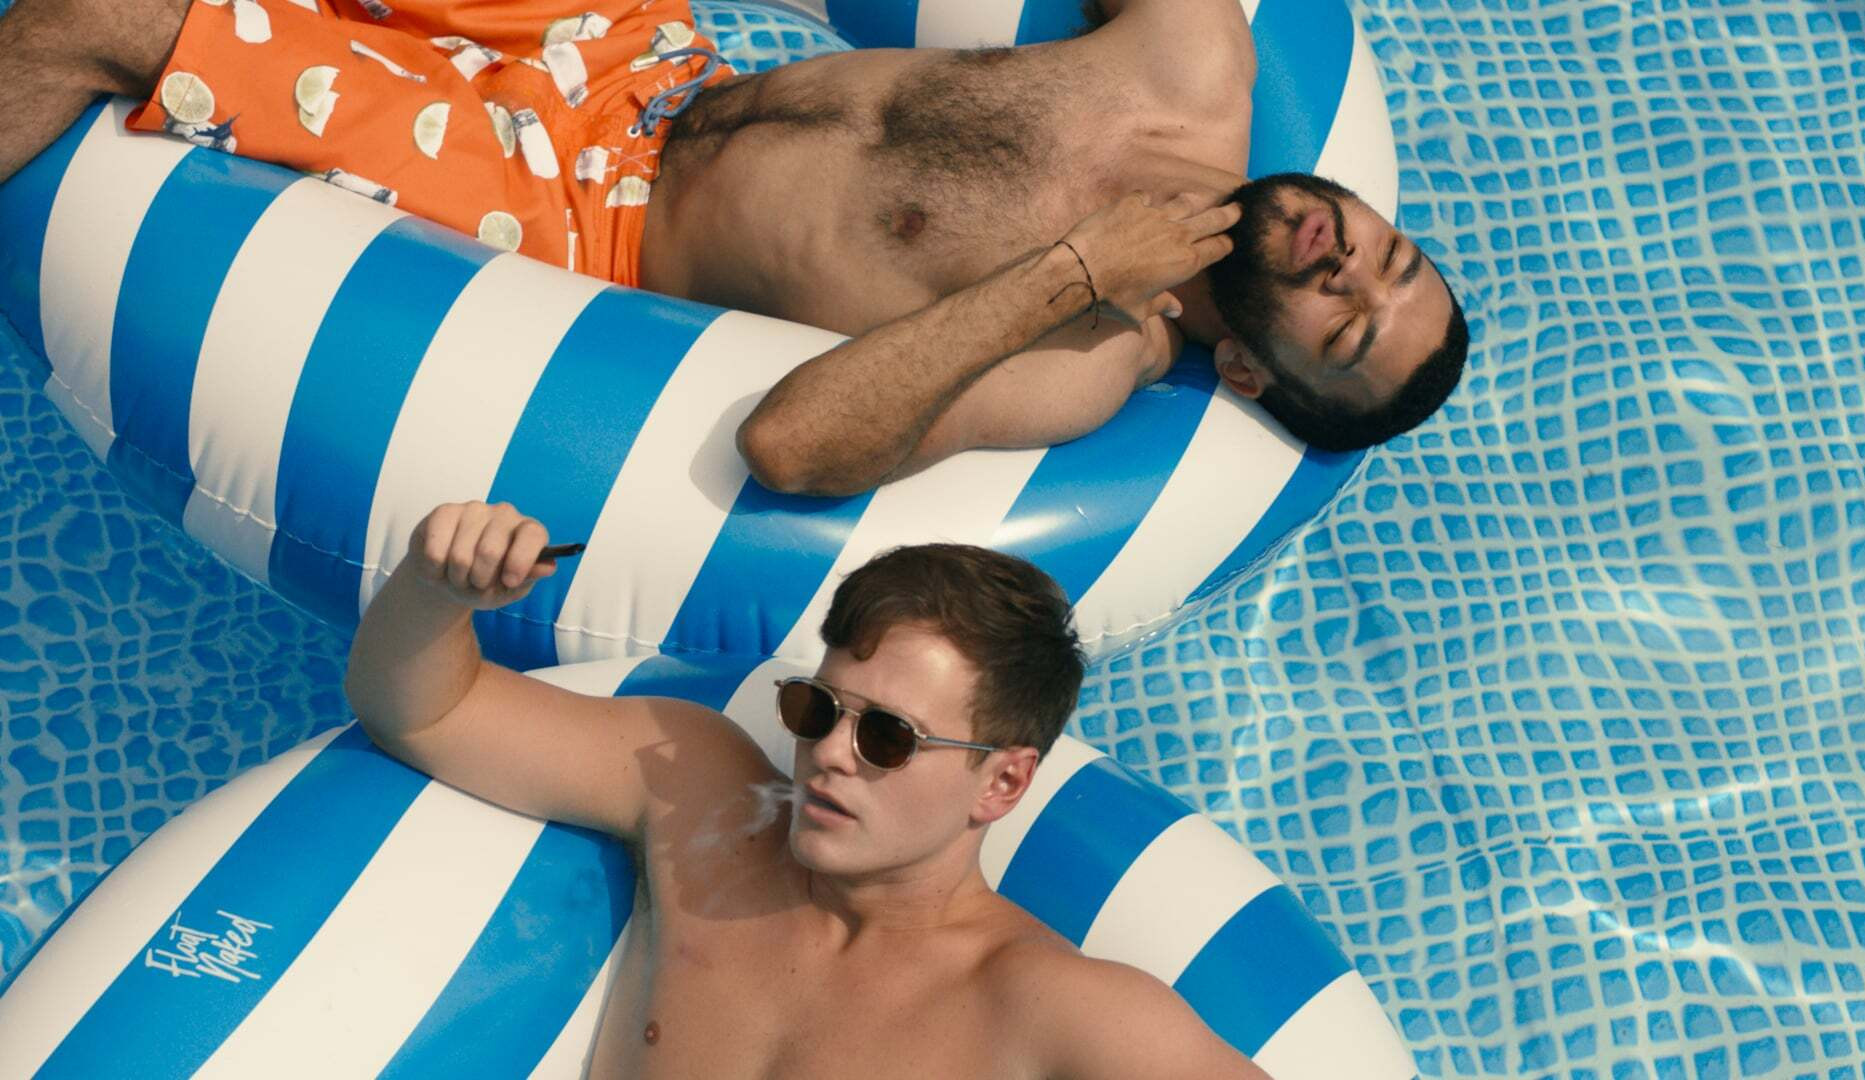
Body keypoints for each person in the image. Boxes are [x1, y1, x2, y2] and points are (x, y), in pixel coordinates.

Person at [2, 0, 1468, 494]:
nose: (1349, 263)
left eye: (1344, 322)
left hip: (578, 214)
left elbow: (795, 445)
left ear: (1253, 374)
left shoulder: (1086, 357)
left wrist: (1080, 268)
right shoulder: (1194, 63)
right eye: (1392, 260)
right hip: (640, 51)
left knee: (94, 20)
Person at [342, 498, 1269, 1077]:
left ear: (1002, 782)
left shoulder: (1054, 1011)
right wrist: (438, 586)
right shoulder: (703, 804)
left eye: (888, 737)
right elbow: (422, 712)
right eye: (818, 708)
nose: (829, 752)